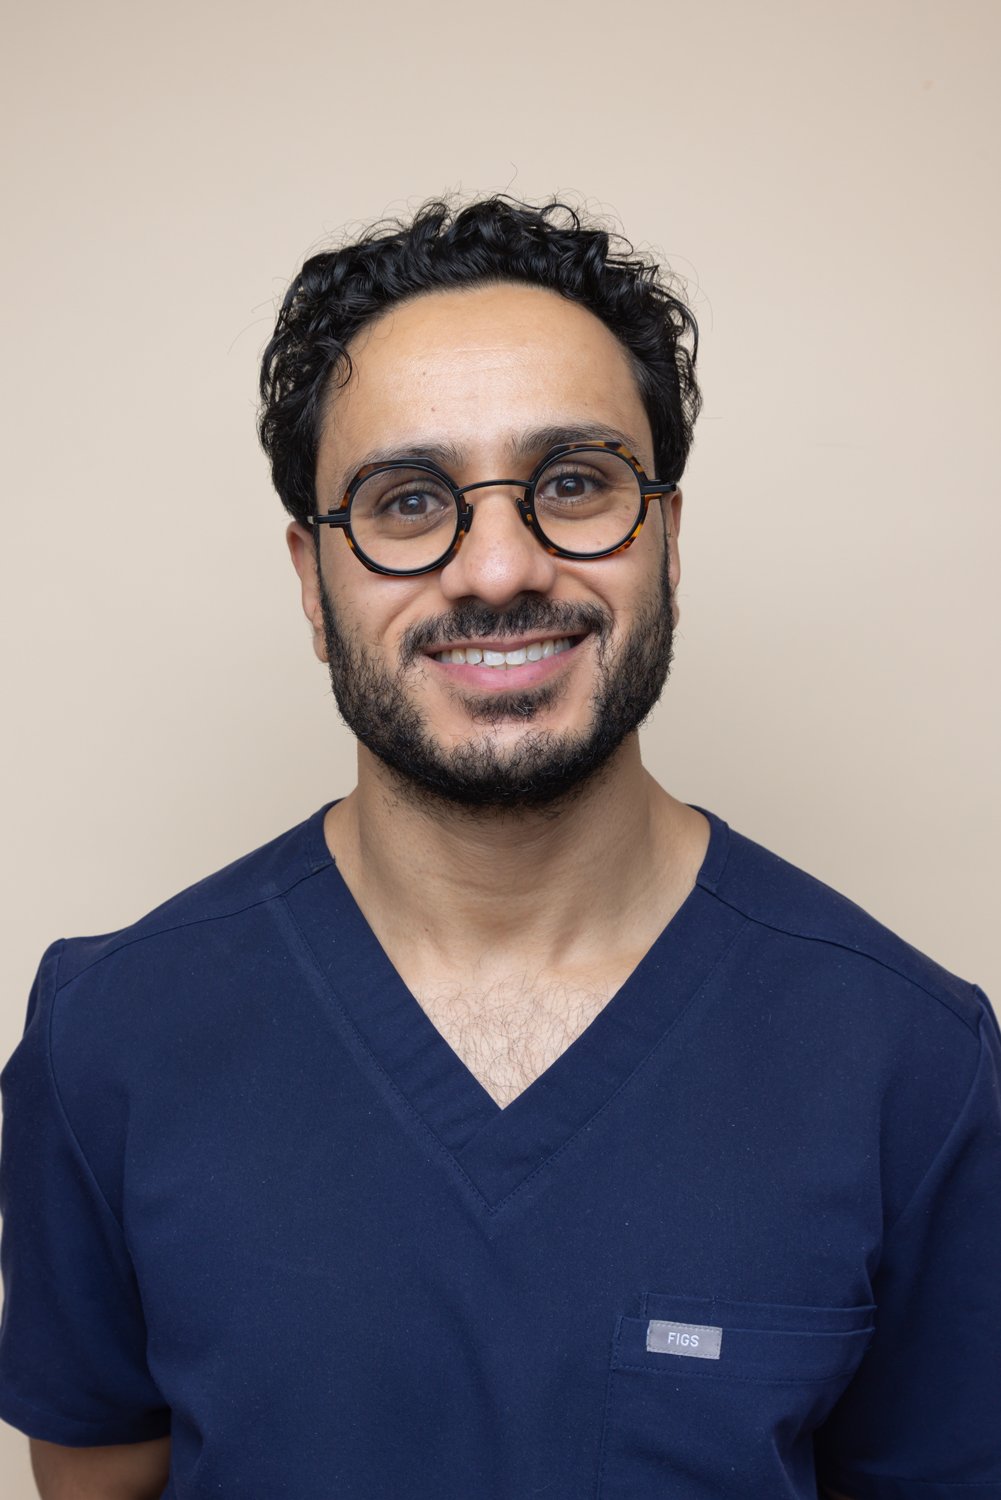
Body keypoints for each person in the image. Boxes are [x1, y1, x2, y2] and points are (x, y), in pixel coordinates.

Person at [1, 197, 998, 1500]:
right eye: (407, 501)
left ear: (668, 539)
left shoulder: (910, 1061)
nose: (494, 568)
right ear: (312, 581)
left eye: (573, 484)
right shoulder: (108, 1039)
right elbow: (98, 1477)